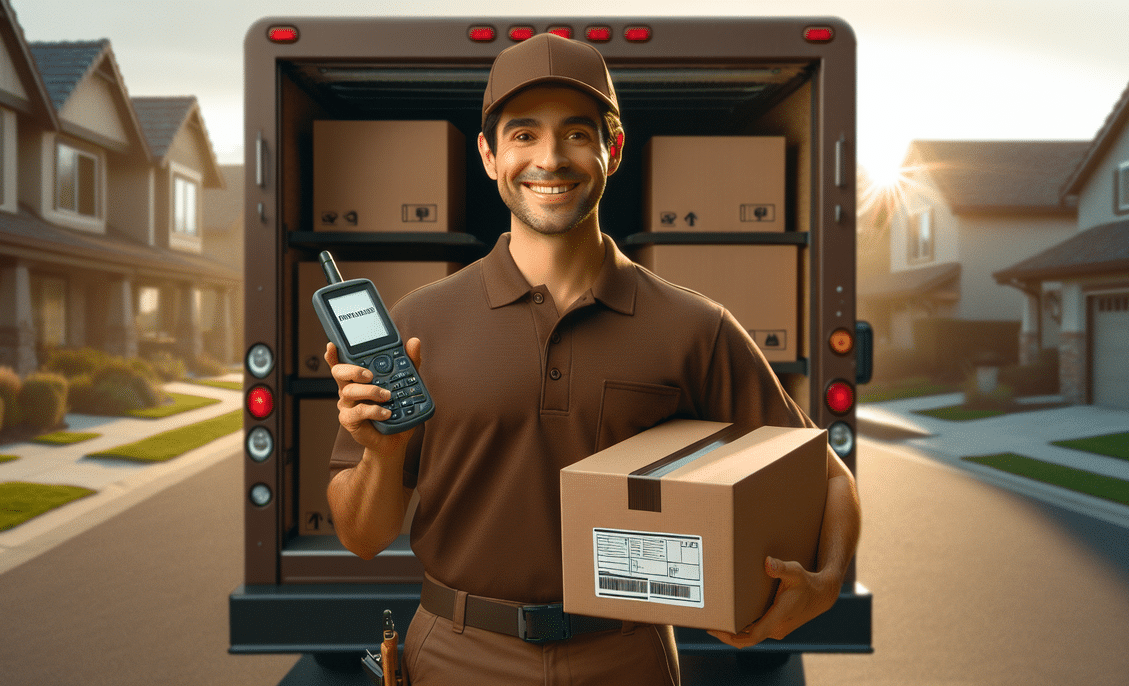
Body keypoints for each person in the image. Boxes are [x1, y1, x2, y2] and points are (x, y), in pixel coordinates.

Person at [326, 33, 861, 686]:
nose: (550, 159)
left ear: (613, 149)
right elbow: (362, 536)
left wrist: (827, 580)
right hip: (456, 652)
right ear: (490, 155)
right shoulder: (416, 323)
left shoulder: (694, 327)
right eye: (523, 135)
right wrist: (382, 452)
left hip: (626, 656)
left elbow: (828, 477)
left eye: (577, 134)